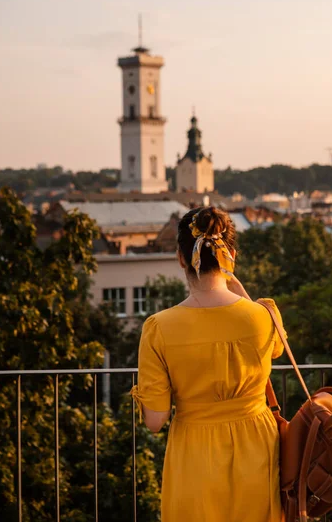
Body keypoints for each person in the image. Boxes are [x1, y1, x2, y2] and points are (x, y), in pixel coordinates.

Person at [131, 206, 285, 522]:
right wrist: (238, 287)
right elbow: (276, 349)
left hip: (195, 456)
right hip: (258, 452)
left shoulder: (159, 328)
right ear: (230, 255)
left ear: (180, 258)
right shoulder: (263, 316)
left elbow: (155, 421)